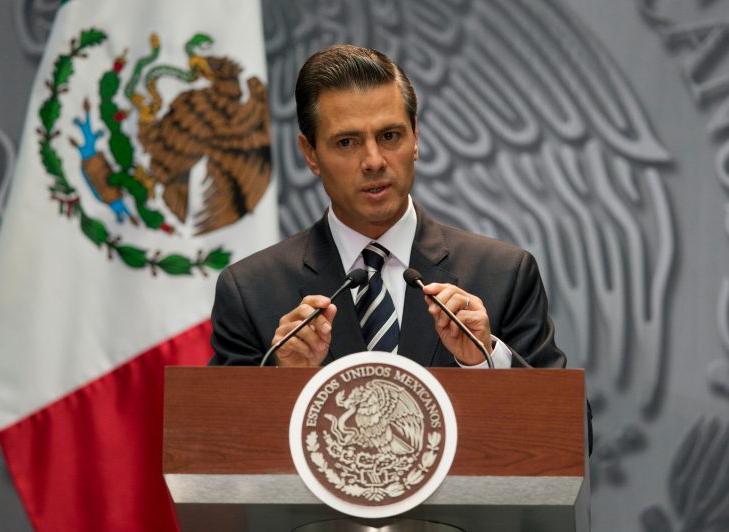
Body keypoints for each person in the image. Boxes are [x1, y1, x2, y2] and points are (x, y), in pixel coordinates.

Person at [208, 44, 565, 371]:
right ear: (310, 154)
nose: (374, 161)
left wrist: (487, 360)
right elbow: (216, 423)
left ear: (415, 138)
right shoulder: (251, 292)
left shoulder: (503, 275)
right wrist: (284, 382)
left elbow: (573, 420)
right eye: (347, 142)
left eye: (390, 136)